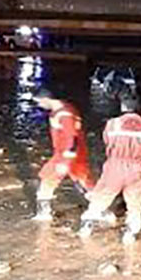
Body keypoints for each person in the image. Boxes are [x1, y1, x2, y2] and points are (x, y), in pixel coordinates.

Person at [78, 92, 141, 244]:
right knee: (134, 202)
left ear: (122, 106)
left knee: (102, 195)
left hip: (115, 165)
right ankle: (130, 234)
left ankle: (87, 227)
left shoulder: (113, 123)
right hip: (136, 167)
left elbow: (107, 140)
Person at [30, 88, 93, 222]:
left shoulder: (63, 114)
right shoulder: (67, 109)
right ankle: (101, 210)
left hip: (66, 154)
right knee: (82, 181)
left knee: (47, 178)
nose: (39, 105)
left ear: (46, 99)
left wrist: (66, 160)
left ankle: (44, 213)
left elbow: (72, 137)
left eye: (39, 102)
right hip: (73, 153)